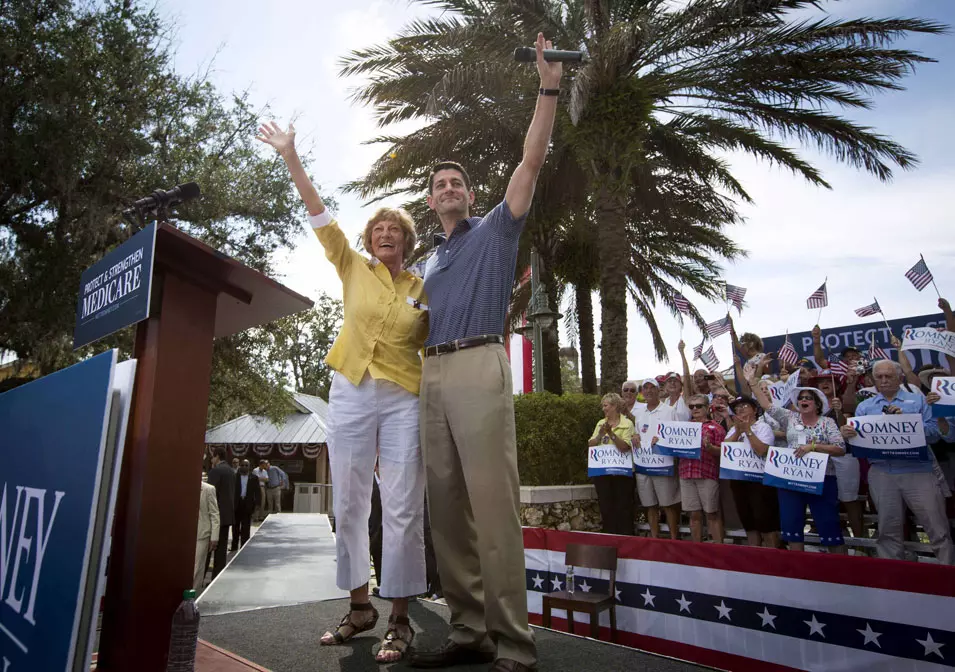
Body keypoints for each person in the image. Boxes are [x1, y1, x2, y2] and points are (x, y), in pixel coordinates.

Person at [410, 34, 560, 672]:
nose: (448, 188)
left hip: (477, 362)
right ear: (430, 200)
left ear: (469, 196)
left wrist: (547, 87)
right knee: (444, 509)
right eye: (439, 184)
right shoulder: (428, 262)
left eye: (456, 182)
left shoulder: (497, 227)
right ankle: (468, 632)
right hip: (430, 374)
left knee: (493, 506)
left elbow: (530, 161)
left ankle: (515, 645)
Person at [258, 121, 429, 663]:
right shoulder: (352, 267)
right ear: (367, 239)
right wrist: (291, 156)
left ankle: (400, 619)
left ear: (406, 240)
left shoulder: (427, 285)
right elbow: (318, 211)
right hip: (351, 389)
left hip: (404, 393)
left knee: (402, 505)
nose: (385, 235)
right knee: (351, 502)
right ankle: (360, 607)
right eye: (378, 229)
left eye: (394, 230)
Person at [840, 360, 954, 564]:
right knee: (887, 530)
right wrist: (848, 434)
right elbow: (858, 441)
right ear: (873, 379)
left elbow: (937, 435)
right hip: (882, 472)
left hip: (918, 471)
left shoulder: (918, 402)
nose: (883, 381)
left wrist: (907, 423)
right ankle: (893, 577)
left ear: (900, 377)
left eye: (888, 376)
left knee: (937, 528)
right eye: (879, 377)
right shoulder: (865, 407)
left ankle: (948, 575)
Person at [752, 383, 847, 554]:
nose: (803, 400)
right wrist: (752, 382)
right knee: (792, 526)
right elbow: (767, 405)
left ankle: (842, 571)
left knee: (829, 524)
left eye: (808, 398)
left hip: (822, 480)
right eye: (801, 398)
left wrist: (813, 446)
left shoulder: (827, 422)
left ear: (817, 404)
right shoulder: (790, 417)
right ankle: (798, 571)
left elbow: (840, 448)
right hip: (791, 480)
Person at [810, 371, 864, 538]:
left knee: (849, 500)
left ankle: (861, 543)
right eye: (821, 381)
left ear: (838, 385)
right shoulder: (811, 406)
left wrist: (839, 412)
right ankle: (832, 539)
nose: (825, 383)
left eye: (829, 380)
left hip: (844, 456)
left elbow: (846, 430)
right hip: (820, 458)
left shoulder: (843, 401)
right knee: (825, 500)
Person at [724, 396, 779, 548]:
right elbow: (726, 448)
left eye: (744, 406)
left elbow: (761, 450)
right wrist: (737, 431)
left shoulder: (763, 427)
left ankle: (773, 559)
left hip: (760, 481)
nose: (740, 409)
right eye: (737, 408)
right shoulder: (732, 430)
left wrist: (747, 430)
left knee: (766, 523)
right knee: (748, 522)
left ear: (755, 410)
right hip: (738, 480)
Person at [634, 378, 681, 539]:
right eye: (645, 388)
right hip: (644, 465)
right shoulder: (639, 414)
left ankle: (674, 539)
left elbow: (676, 436)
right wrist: (635, 437)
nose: (648, 391)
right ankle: (655, 540)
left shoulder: (669, 411)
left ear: (658, 390)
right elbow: (637, 433)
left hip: (663, 465)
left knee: (668, 504)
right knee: (650, 505)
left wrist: (661, 440)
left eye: (651, 387)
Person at [588, 393, 636, 535]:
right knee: (606, 507)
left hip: (622, 473)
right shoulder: (600, 423)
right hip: (603, 473)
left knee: (623, 507)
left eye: (606, 405)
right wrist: (600, 435)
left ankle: (626, 538)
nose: (603, 409)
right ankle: (609, 537)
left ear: (614, 406)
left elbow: (625, 447)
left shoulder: (627, 424)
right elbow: (591, 444)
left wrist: (612, 434)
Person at [681, 394, 725, 543]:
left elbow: (723, 452)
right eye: (692, 407)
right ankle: (697, 549)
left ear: (707, 408)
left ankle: (719, 549)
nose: (695, 409)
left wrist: (710, 447)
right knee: (693, 514)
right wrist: (658, 442)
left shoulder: (716, 428)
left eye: (699, 406)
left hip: (707, 473)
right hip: (686, 473)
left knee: (712, 513)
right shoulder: (682, 427)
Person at [206, 447, 236, 577]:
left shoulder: (216, 471)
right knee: (221, 550)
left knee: (207, 549)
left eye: (212, 457)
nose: (211, 459)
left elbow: (209, 494)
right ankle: (216, 576)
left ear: (217, 456)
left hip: (214, 515)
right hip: (227, 514)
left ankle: (201, 576)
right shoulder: (231, 471)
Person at [195, 479, 219, 592]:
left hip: (201, 534)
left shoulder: (208, 489)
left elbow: (214, 513)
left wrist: (214, 537)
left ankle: (193, 599)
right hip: (184, 535)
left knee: (197, 568)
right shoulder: (181, 486)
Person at [233, 459, 260, 551]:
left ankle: (244, 546)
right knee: (235, 526)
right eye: (242, 465)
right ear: (240, 466)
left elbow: (257, 492)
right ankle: (234, 546)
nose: (244, 467)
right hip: (237, 503)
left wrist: (257, 505)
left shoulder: (254, 478)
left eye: (246, 465)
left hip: (247, 504)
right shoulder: (235, 477)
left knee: (246, 526)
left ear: (249, 467)